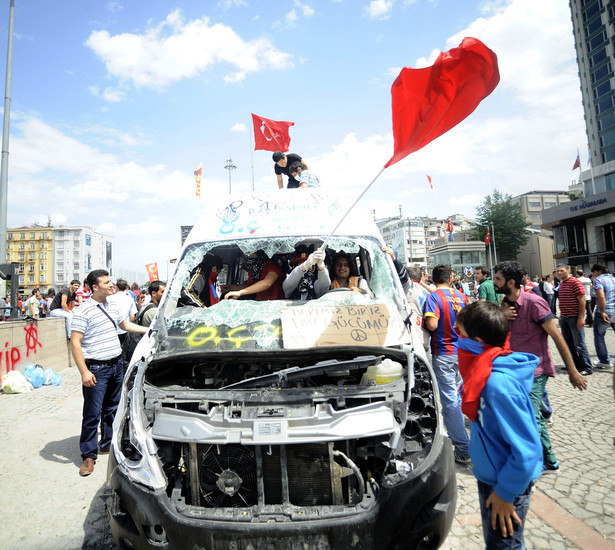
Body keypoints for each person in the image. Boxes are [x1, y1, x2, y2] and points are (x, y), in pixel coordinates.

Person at [455, 301, 542, 548]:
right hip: (493, 477)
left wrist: (505, 493)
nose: (456, 336)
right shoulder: (483, 372)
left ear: (477, 339)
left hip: (505, 485)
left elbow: (527, 450)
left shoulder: (498, 385)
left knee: (504, 545)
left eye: (460, 332)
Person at [493, 261, 587, 473]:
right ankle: (550, 460)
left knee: (530, 416)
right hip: (513, 371)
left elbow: (557, 338)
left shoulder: (535, 304)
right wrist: (501, 315)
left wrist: (572, 370)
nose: (494, 282)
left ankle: (531, 465)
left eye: (498, 278)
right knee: (530, 415)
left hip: (535, 372)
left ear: (510, 282)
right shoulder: (504, 304)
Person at [70, 269, 148, 477]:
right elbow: (75, 342)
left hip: (115, 366)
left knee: (112, 409)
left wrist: (148, 330)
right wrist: (84, 372)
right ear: (95, 287)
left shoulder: (112, 305)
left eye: (111, 281)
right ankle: (88, 455)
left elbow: (125, 325)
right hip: (96, 368)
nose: (111, 285)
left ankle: (106, 444)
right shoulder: (83, 311)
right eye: (106, 282)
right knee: (92, 413)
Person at [423, 264, 470, 463]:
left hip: (443, 351)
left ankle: (462, 447)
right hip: (462, 351)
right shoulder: (460, 296)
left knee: (450, 399)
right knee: (458, 396)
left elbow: (432, 324)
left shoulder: (434, 297)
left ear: (433, 279)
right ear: (450, 278)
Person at [556, 264, 593, 376]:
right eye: (557, 271)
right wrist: (561, 316)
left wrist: (581, 317)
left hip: (574, 317)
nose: (559, 273)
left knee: (579, 344)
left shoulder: (575, 282)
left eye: (562, 271)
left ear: (568, 270)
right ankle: (575, 365)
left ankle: (587, 367)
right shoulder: (562, 283)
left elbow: (582, 300)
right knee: (568, 343)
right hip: (565, 318)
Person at [591, 263, 615, 369]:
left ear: (599, 271)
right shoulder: (614, 279)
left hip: (605, 311)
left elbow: (600, 296)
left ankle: (605, 361)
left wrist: (602, 311)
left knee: (599, 336)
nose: (594, 275)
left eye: (594, 273)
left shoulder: (598, 280)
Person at [107, 279, 137, 345]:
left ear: (116, 287)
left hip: (111, 330)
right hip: (124, 330)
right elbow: (132, 317)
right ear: (126, 287)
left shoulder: (109, 298)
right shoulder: (130, 299)